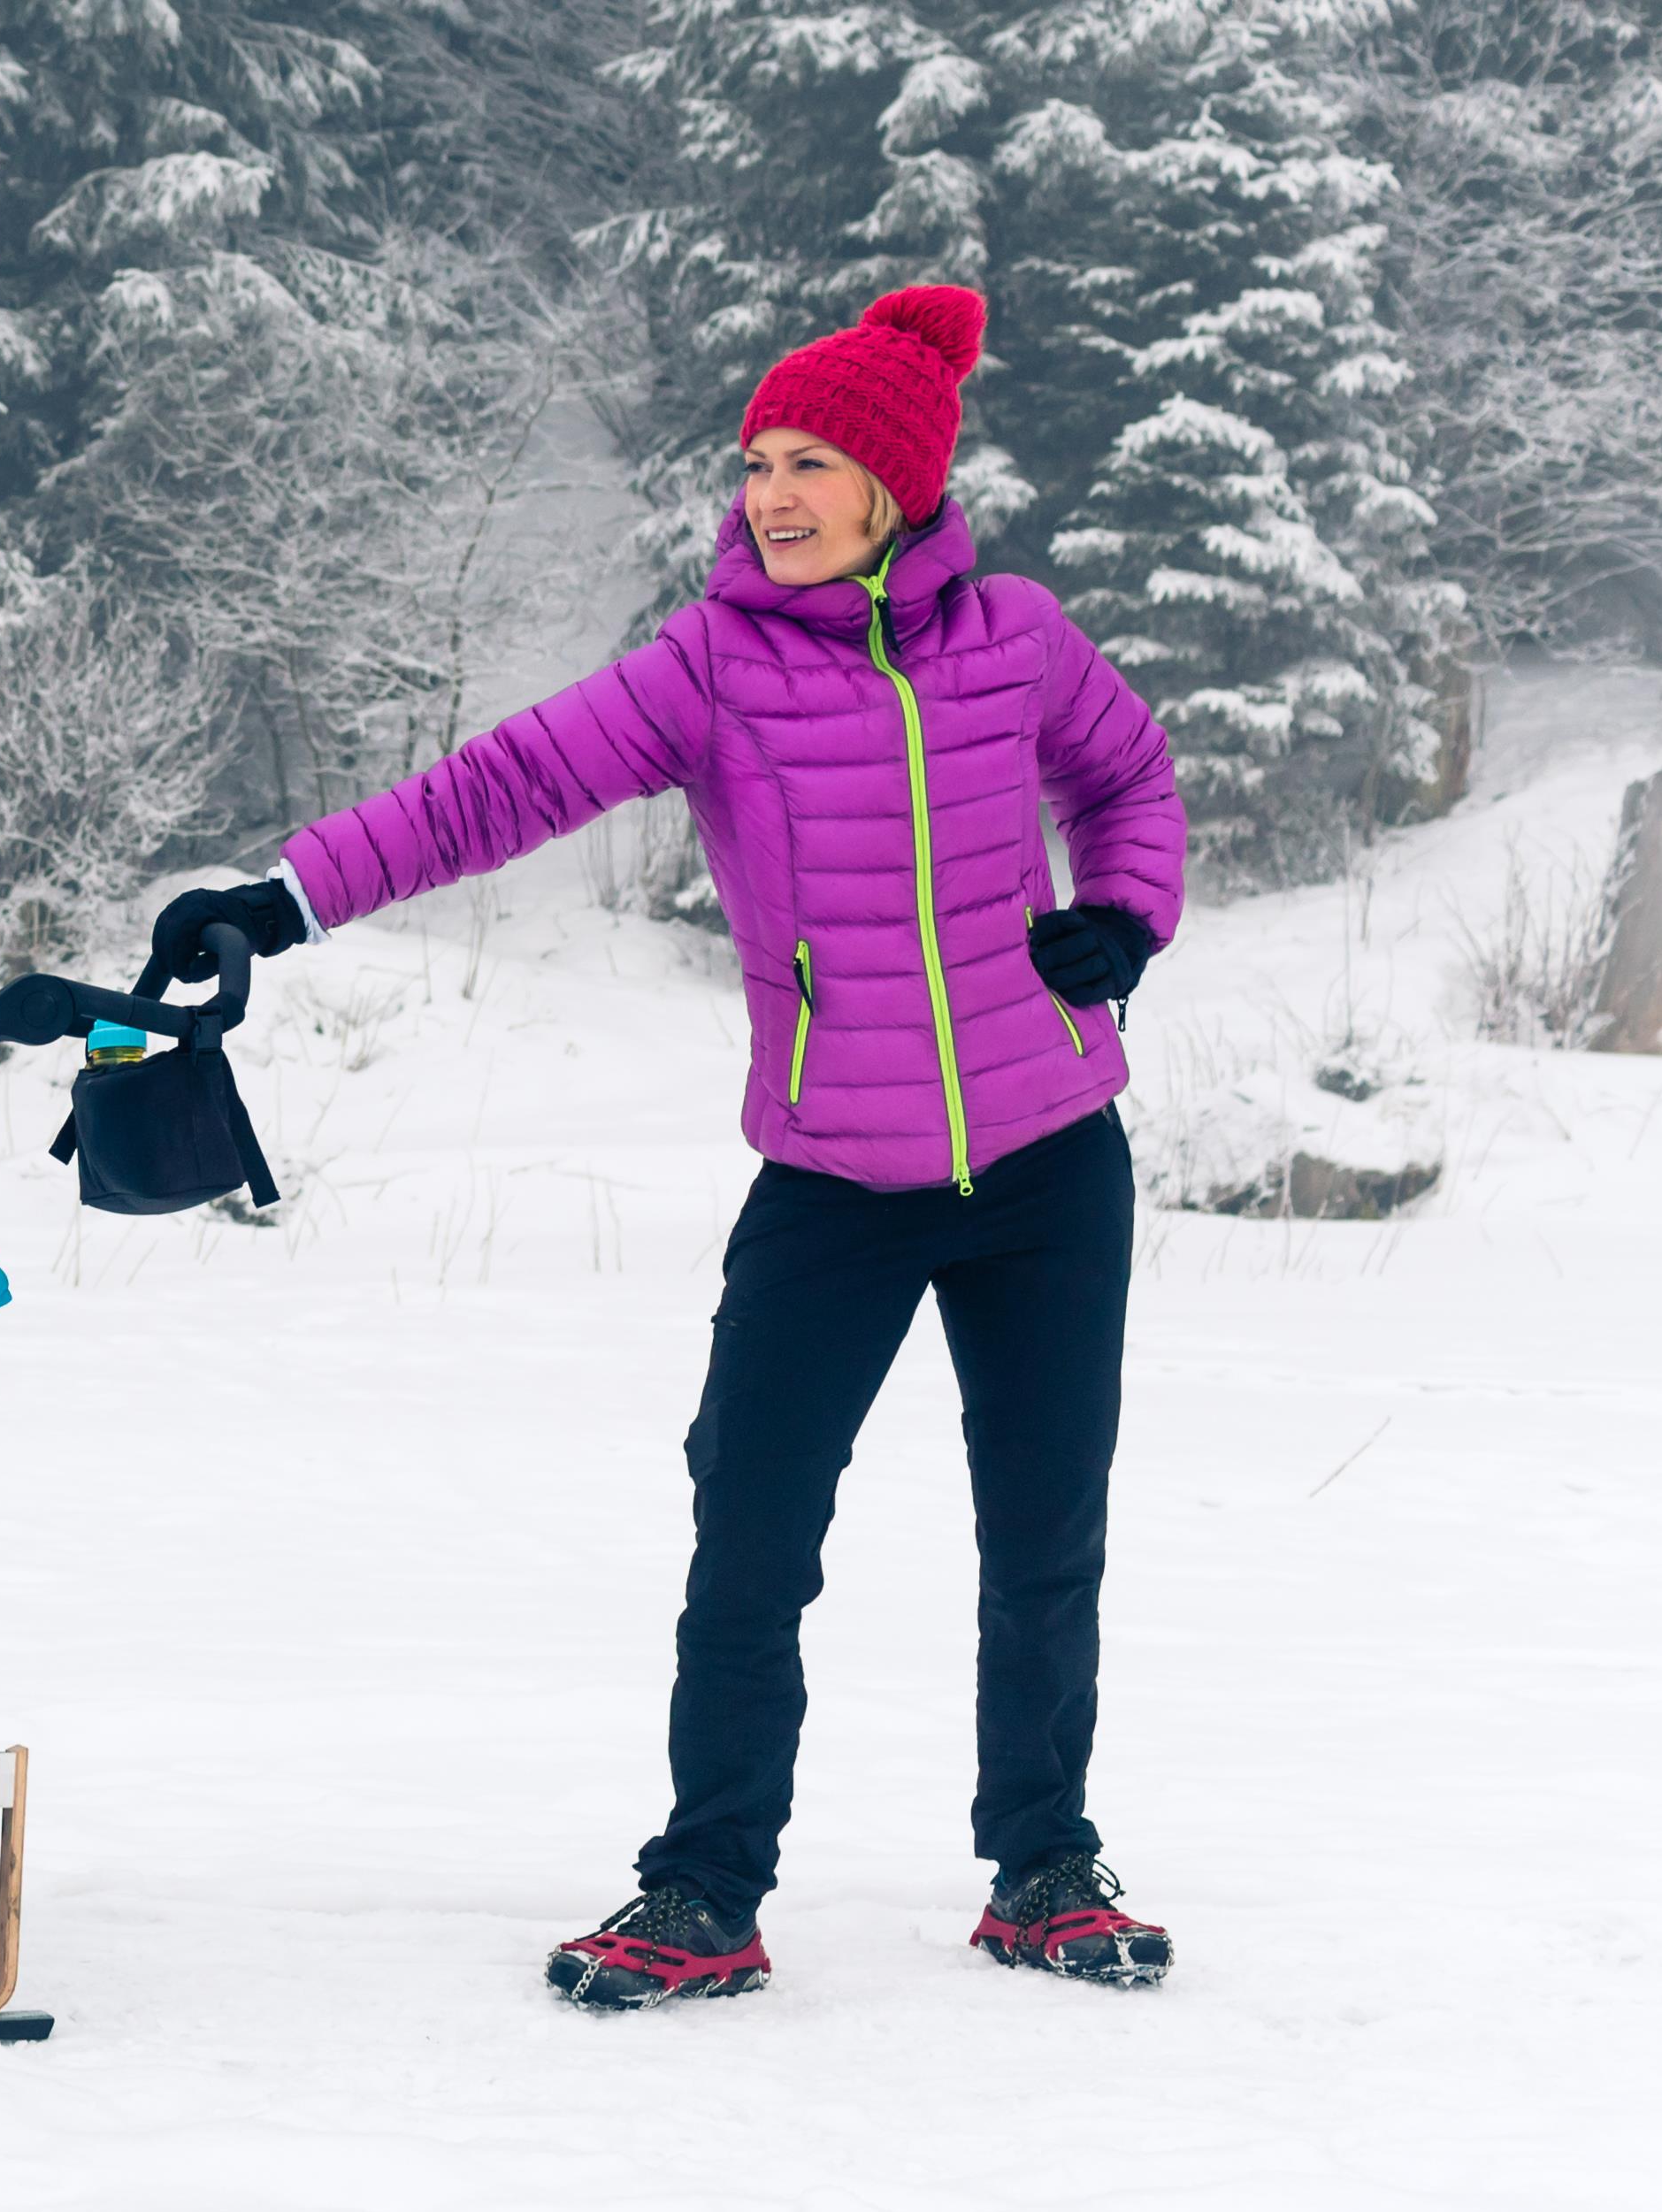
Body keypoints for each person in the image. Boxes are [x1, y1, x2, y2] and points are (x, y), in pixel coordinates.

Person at [153, 286, 1186, 2009]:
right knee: (753, 1530)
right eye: (756, 462)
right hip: (831, 1181)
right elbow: (492, 790)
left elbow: (1130, 781)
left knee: (1043, 1527)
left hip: (1048, 1157)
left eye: (809, 463)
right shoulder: (711, 667)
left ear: (895, 481)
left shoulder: (1016, 636)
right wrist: (285, 894)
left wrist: (1124, 920)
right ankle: (703, 1884)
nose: (770, 494)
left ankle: (1043, 1863)